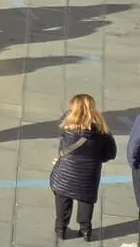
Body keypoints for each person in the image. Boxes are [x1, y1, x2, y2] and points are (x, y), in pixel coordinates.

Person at [53, 93, 118, 242]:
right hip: (88, 174)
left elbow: (63, 145)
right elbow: (111, 153)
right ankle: (86, 231)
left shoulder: (66, 123)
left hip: (65, 172)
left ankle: (61, 229)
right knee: (86, 200)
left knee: (63, 197)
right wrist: (95, 159)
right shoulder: (102, 131)